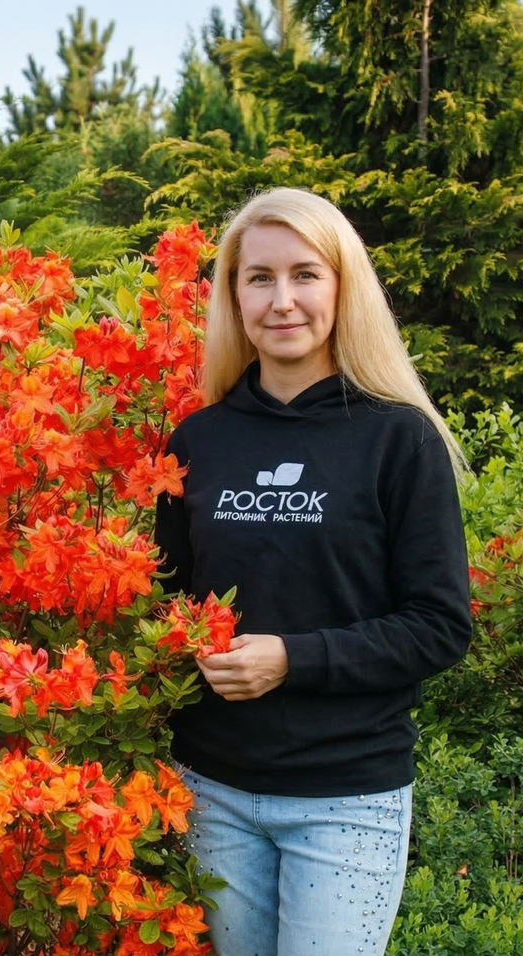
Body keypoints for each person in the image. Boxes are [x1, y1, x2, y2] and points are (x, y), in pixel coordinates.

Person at [154, 187, 471, 956]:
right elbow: (167, 603)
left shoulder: (399, 441)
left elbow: (439, 625)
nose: (282, 300)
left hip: (347, 797)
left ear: (342, 286)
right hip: (214, 790)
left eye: (306, 274)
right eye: (258, 277)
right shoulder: (198, 440)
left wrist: (291, 658)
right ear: (232, 294)